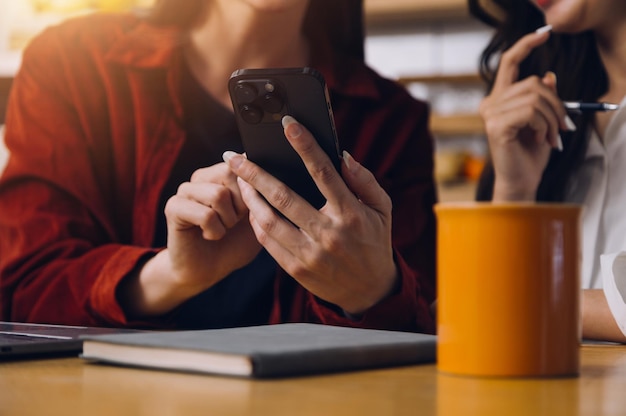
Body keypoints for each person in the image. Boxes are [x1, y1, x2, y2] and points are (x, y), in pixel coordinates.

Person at [0, 0, 437, 332]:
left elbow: (428, 332)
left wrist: (372, 292)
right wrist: (171, 274)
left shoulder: (393, 120)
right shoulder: (73, 64)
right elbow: (21, 292)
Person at [469, 0, 626, 342]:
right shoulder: (556, 124)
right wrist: (514, 189)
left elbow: (483, 306)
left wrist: (522, 305)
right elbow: (486, 326)